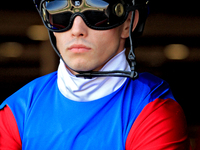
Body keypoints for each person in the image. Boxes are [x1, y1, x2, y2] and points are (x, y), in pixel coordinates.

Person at [0, 0, 190, 149]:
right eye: (60, 13)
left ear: (128, 23)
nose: (77, 30)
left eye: (97, 12)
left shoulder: (155, 111)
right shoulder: (16, 112)